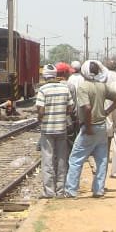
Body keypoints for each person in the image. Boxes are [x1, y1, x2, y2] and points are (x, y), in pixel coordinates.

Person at [64, 59, 116, 199]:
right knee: (101, 160)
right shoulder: (102, 86)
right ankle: (98, 190)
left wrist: (88, 127)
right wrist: (107, 111)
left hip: (89, 127)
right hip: (102, 126)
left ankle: (71, 190)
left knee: (75, 159)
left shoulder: (83, 88)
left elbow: (87, 108)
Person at [34, 64, 72, 198]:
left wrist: (40, 118)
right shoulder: (65, 88)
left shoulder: (43, 89)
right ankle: (60, 190)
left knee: (47, 160)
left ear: (45, 76)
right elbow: (70, 108)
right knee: (62, 159)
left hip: (47, 129)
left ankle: (49, 191)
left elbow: (41, 110)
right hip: (62, 128)